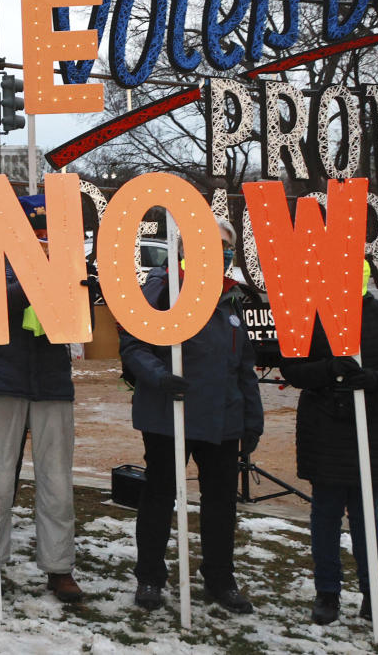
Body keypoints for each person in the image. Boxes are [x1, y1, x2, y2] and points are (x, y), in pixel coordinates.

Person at [118, 219, 262, 614]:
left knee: (220, 502)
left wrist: (252, 418)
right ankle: (150, 576)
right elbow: (133, 344)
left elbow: (243, 365)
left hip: (222, 418)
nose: (221, 252)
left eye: (226, 247)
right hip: (170, 414)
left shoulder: (231, 297)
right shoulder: (163, 287)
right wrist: (160, 378)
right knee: (160, 496)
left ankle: (220, 578)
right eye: (213, 244)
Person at [279, 261, 378, 633]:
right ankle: (327, 594)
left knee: (366, 518)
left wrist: (373, 380)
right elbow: (292, 367)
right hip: (325, 428)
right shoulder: (308, 312)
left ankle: (376, 599)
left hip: (371, 426)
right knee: (325, 515)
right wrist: (331, 369)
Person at [0, 201, 83, 603]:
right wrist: (37, 276)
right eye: (35, 229)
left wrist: (81, 285)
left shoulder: (69, 262)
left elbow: (85, 317)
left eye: (48, 229)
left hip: (52, 379)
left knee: (57, 480)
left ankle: (59, 566)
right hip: (2, 377)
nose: (43, 236)